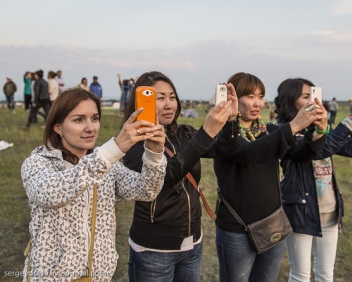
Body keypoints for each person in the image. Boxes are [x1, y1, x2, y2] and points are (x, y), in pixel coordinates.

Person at [21, 88, 167, 281]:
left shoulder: (108, 164)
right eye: (79, 119)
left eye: (95, 118)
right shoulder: (37, 162)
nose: (90, 128)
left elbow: (146, 190)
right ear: (58, 127)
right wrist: (113, 149)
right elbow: (50, 195)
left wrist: (154, 153)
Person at [123, 71, 238, 282]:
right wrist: (206, 132)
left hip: (193, 243)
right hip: (153, 250)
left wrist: (230, 122)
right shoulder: (133, 143)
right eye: (159, 98)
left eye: (172, 97)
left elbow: (225, 150)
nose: (168, 105)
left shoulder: (184, 133)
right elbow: (162, 180)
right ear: (141, 102)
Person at [214, 72, 327, 282]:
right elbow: (247, 153)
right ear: (233, 99)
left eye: (260, 96)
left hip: (272, 224)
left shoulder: (269, 131)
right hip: (237, 228)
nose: (257, 103)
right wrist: (293, 126)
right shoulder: (224, 135)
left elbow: (303, 153)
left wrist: (320, 131)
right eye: (249, 96)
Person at [274, 78, 352, 282]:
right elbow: (319, 150)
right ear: (290, 101)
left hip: (330, 211)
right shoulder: (283, 132)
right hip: (300, 211)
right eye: (306, 97)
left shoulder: (321, 126)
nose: (314, 101)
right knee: (301, 276)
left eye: (314, 96)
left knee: (326, 274)